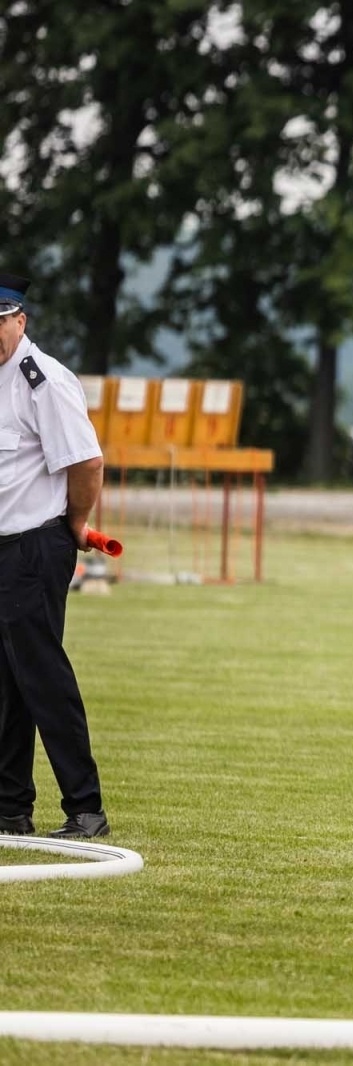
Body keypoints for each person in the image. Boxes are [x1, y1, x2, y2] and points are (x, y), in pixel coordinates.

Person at [0, 272, 112, 840]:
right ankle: (9, 807)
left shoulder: (42, 380)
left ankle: (85, 808)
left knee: (42, 677)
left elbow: (87, 462)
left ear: (19, 320)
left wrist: (75, 523)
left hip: (35, 545)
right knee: (7, 683)